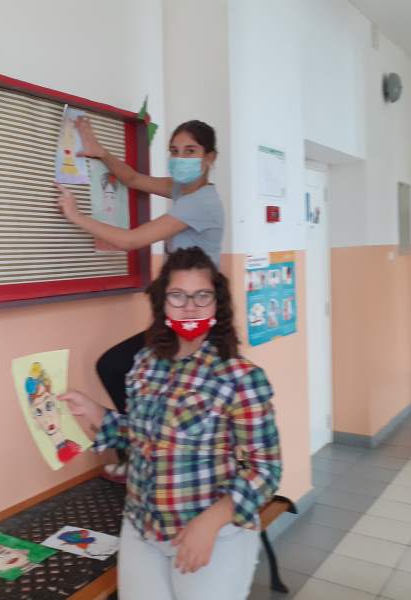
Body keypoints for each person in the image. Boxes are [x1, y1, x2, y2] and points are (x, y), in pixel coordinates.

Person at [60, 247, 281, 600]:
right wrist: (95, 412)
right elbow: (141, 437)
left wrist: (211, 521)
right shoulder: (145, 363)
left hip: (211, 533)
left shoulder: (240, 377)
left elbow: (264, 469)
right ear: (163, 303)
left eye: (202, 296)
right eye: (177, 295)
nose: (189, 307)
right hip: (141, 527)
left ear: (217, 305)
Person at [57, 118, 224, 480]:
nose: (181, 158)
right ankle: (141, 457)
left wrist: (75, 216)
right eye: (175, 151)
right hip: (175, 314)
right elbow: (132, 179)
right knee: (125, 371)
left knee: (122, 369)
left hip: (196, 318)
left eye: (191, 151)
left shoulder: (201, 203)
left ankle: (146, 460)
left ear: (210, 157)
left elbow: (131, 240)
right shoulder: (183, 191)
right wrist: (99, 151)